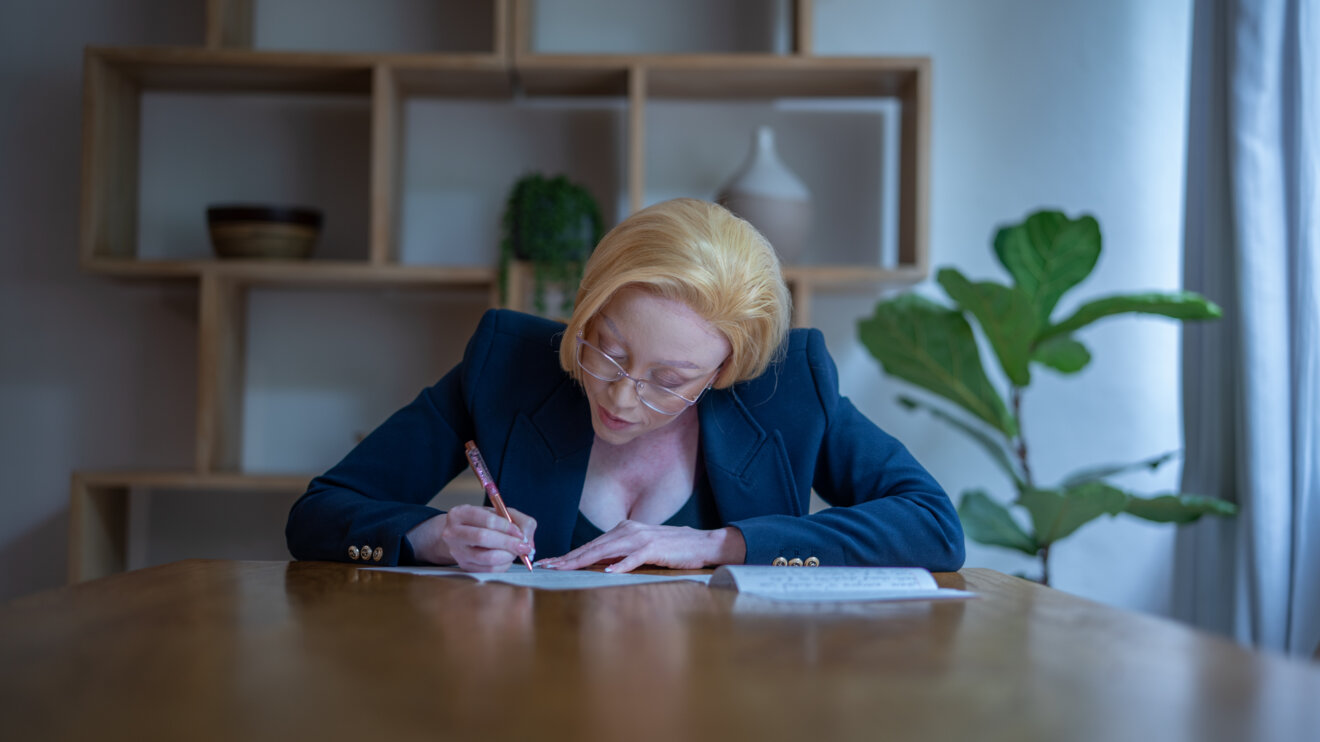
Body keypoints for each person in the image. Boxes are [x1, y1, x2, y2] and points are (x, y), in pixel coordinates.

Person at [286, 198, 964, 573]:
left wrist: (719, 545)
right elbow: (321, 510)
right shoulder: (508, 364)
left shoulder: (785, 390)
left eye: (670, 381)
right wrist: (430, 535)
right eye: (604, 350)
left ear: (725, 371)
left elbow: (934, 526)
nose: (618, 396)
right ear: (584, 306)